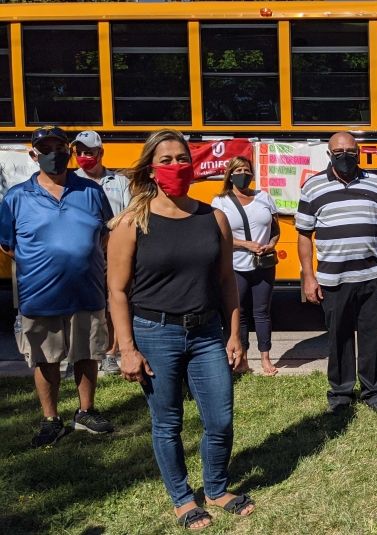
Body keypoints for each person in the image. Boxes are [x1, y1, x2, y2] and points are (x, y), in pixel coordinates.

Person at [107, 129, 254, 528]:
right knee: (167, 421)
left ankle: (217, 488)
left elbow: (227, 283)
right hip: (155, 333)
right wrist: (127, 348)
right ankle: (182, 499)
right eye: (166, 160)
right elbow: (117, 291)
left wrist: (235, 334)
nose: (176, 166)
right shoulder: (130, 223)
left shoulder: (214, 218)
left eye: (182, 159)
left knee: (220, 418)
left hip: (207, 333)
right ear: (152, 170)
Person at [0, 126, 115, 447]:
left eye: (59, 147)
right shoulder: (16, 197)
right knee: (45, 358)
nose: (54, 155)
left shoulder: (90, 191)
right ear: (33, 154)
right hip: (39, 295)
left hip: (87, 290)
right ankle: (51, 419)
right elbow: (8, 245)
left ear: (69, 150)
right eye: (45, 149)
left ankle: (86, 411)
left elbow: (104, 234)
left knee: (87, 353)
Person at [296, 132, 377, 414]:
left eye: (351, 151)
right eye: (339, 151)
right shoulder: (313, 187)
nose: (345, 156)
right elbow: (304, 234)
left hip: (372, 277)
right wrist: (308, 276)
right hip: (333, 280)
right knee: (338, 337)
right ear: (329, 155)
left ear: (359, 152)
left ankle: (373, 392)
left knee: (371, 335)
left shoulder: (376, 184)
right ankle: (341, 394)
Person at [211, 157, 280, 376]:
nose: (243, 174)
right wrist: (244, 244)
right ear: (230, 174)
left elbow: (276, 228)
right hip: (235, 265)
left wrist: (271, 244)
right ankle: (242, 359)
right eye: (238, 170)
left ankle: (265, 357)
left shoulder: (264, 197)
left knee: (262, 311)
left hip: (263, 263)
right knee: (237, 312)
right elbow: (218, 235)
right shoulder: (220, 201)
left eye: (247, 170)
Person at [73, 129, 132, 375]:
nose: (85, 156)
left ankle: (110, 354)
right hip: (81, 254)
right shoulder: (69, 181)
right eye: (80, 152)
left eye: (90, 152)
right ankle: (79, 355)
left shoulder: (119, 182)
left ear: (101, 153)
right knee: (79, 306)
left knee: (113, 302)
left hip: (113, 253)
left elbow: (129, 215)